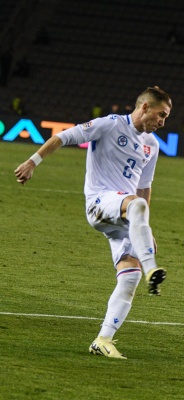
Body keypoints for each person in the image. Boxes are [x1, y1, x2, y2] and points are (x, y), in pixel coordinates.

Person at [14, 86, 172, 359]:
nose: (162, 122)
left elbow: (144, 187)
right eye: (161, 115)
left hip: (125, 216)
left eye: (166, 117)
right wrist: (32, 162)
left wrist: (145, 228)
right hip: (100, 204)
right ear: (145, 107)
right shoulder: (108, 126)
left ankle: (103, 340)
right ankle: (152, 268)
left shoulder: (152, 145)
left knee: (129, 278)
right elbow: (63, 137)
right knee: (136, 205)